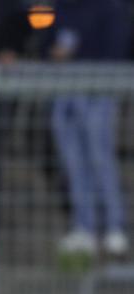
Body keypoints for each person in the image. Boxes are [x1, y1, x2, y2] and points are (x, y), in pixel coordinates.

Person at [48, 0, 130, 258]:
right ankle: (84, 226)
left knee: (99, 157)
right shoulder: (59, 8)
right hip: (63, 90)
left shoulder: (110, 8)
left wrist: (78, 54)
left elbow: (116, 49)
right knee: (72, 163)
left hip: (97, 91)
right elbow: (44, 42)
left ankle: (114, 226)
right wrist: (53, 54)